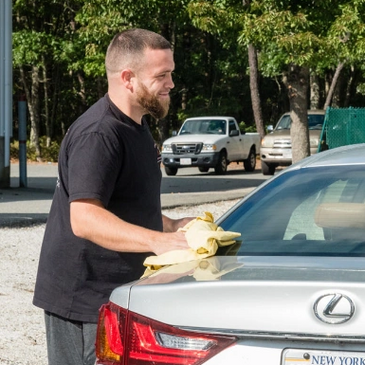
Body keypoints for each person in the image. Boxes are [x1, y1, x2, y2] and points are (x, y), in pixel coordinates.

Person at [33, 28, 193, 365]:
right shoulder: (99, 134)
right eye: (161, 75)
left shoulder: (136, 126)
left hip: (119, 296)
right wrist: (158, 242)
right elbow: (85, 218)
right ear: (128, 78)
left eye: (171, 74)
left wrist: (172, 226)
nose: (171, 84)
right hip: (85, 302)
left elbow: (122, 205)